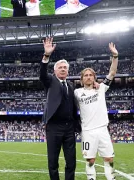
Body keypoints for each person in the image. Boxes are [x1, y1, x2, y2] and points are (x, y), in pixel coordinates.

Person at [74, 42, 119, 180]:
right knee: (90, 160)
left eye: (90, 75)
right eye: (85, 75)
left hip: (102, 129)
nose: (88, 77)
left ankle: (111, 178)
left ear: (94, 77)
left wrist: (115, 55)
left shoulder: (101, 88)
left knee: (109, 158)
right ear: (81, 79)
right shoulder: (77, 92)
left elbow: (112, 72)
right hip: (87, 131)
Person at [39, 37, 80, 180]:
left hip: (69, 128)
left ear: (68, 71)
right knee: (53, 161)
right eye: (60, 67)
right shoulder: (50, 81)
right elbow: (42, 74)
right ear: (55, 71)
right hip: (54, 127)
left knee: (71, 162)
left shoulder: (71, 86)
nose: (63, 69)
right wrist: (47, 55)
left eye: (65, 68)